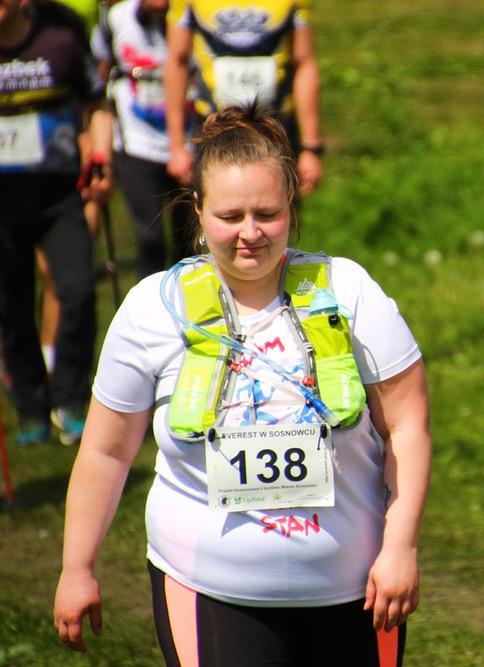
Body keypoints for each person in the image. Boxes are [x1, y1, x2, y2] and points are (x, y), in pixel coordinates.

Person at [54, 103, 431, 665]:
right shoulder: (152, 309)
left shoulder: (350, 291)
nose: (249, 234)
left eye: (267, 214)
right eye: (230, 216)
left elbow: (408, 425)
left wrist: (400, 547)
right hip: (208, 588)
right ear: (198, 209)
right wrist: (76, 568)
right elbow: (106, 452)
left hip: (356, 591)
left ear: (291, 206)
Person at [0, 0, 109, 445]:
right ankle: (31, 408)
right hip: (3, 203)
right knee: (11, 304)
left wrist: (101, 158)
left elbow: (96, 102)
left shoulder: (62, 32)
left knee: (78, 289)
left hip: (61, 194)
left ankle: (70, 398)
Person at [163, 0, 323, 195]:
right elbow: (177, 62)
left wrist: (310, 147)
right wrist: (177, 146)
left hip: (275, 125)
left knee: (274, 203)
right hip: (213, 123)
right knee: (219, 203)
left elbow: (304, 63)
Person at [90, 0, 196, 278]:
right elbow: (98, 77)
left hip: (189, 144)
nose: (159, 4)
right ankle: (150, 299)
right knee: (150, 238)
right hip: (134, 144)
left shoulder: (193, 15)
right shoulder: (115, 18)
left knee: (189, 241)